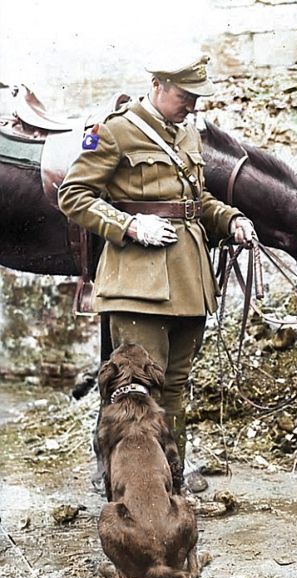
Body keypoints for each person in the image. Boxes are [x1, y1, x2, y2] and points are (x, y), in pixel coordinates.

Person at [59, 54, 256, 493]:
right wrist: (128, 225)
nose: (193, 107)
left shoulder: (186, 134)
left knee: (174, 387)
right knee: (136, 393)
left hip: (187, 278)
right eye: (186, 96)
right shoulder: (114, 131)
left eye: (197, 99)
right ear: (159, 85)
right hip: (136, 283)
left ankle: (171, 482)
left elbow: (196, 202)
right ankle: (134, 492)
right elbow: (72, 195)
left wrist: (230, 219)